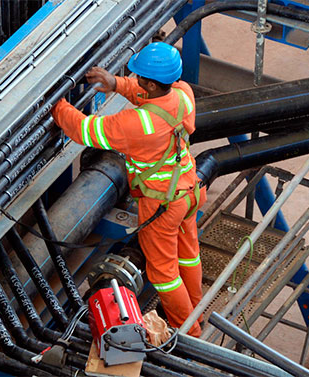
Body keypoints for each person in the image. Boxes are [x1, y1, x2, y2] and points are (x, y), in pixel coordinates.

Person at [51, 42, 206, 337]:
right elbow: (154, 100)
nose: (135, 81)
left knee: (164, 274)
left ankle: (188, 330)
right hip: (189, 191)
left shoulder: (136, 124)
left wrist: (56, 106)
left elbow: (86, 130)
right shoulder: (183, 93)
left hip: (161, 203)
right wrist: (116, 84)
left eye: (137, 78)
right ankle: (196, 307)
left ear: (148, 82)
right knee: (188, 254)